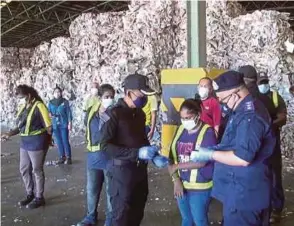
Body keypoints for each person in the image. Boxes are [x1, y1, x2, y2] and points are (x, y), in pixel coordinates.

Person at [190, 71, 276, 226]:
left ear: (235, 94)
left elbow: (242, 158)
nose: (222, 104)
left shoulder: (251, 116)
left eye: (223, 100)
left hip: (245, 194)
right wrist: (215, 148)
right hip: (238, 190)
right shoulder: (241, 110)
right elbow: (233, 142)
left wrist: (211, 154)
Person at [99, 73, 156, 226]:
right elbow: (104, 146)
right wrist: (136, 153)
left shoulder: (140, 114)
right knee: (122, 216)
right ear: (129, 92)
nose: (144, 98)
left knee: (137, 213)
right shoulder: (112, 114)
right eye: (141, 94)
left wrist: (152, 154)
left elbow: (142, 139)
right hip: (121, 174)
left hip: (139, 172)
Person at [1, 85, 52, 209]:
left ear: (29, 96)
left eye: (21, 97)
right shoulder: (23, 107)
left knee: (37, 170)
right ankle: (30, 194)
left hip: (37, 142)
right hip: (25, 142)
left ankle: (39, 197)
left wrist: (49, 140)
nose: (20, 100)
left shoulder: (39, 106)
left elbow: (49, 127)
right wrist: (9, 134)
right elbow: (20, 126)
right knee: (24, 169)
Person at [168, 98, 217, 226]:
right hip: (181, 185)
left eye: (188, 117)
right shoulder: (180, 130)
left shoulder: (208, 132)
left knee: (199, 220)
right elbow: (171, 157)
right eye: (182, 118)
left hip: (200, 188)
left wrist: (176, 167)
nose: (185, 121)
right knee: (186, 220)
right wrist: (176, 180)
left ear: (198, 115)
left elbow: (202, 161)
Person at [77, 84, 115, 226]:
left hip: (108, 156)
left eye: (112, 97)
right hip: (93, 156)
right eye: (106, 97)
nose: (109, 99)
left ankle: (110, 219)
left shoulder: (113, 113)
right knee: (92, 189)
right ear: (99, 98)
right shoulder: (91, 111)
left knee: (110, 190)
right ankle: (90, 216)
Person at [257, 74, 287, 223]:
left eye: (265, 82)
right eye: (261, 83)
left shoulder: (275, 97)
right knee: (260, 175)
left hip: (273, 142)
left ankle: (277, 209)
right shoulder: (253, 97)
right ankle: (262, 207)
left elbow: (283, 117)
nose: (264, 85)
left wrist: (270, 125)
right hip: (258, 142)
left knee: (275, 176)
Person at [48, 87, 73, 164]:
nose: (57, 93)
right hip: (55, 124)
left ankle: (68, 157)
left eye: (59, 92)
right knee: (58, 141)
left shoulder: (65, 102)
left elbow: (69, 113)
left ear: (61, 93)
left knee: (65, 140)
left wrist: (70, 123)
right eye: (55, 92)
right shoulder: (51, 103)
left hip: (63, 123)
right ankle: (62, 157)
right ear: (53, 93)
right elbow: (48, 112)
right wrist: (49, 116)